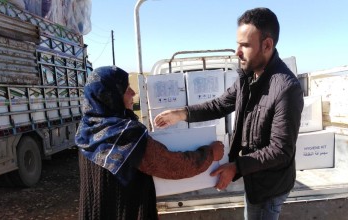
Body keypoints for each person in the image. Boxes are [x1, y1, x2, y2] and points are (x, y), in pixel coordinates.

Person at [154, 7, 304, 220]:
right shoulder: (248, 77)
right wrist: (182, 114)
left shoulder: (286, 88)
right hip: (254, 178)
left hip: (268, 187)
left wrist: (237, 167)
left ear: (267, 45)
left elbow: (280, 150)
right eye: (237, 44)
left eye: (245, 45)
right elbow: (219, 105)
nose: (237, 52)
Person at [75, 66, 224, 220]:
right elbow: (172, 166)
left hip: (96, 211)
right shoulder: (126, 135)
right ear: (110, 96)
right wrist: (210, 153)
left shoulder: (86, 129)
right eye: (127, 89)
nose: (133, 93)